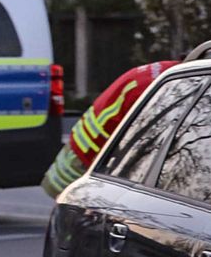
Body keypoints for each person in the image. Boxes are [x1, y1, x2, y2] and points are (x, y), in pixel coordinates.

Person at [40, 59, 181, 198]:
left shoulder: (159, 73)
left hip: (80, 150)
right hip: (86, 164)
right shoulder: (168, 88)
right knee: (71, 212)